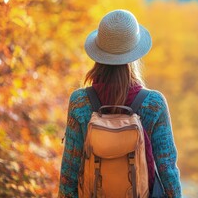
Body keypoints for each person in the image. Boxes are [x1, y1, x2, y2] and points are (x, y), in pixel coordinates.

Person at [58, 10, 182, 197]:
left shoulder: (80, 101)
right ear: (134, 55)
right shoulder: (153, 103)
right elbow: (167, 169)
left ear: (98, 53)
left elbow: (70, 171)